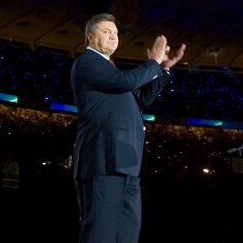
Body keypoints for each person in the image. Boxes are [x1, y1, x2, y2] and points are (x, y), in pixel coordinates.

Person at [70, 13, 185, 243]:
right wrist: (153, 62)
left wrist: (164, 69)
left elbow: (142, 98)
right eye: (106, 32)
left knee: (127, 235)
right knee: (100, 235)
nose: (113, 36)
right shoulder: (87, 63)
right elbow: (127, 82)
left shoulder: (111, 69)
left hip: (127, 162)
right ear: (90, 38)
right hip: (104, 160)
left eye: (115, 32)